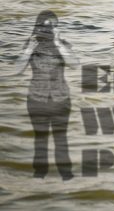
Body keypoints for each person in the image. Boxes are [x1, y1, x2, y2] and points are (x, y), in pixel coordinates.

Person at [14, 11, 77, 180]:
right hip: (36, 98)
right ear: (37, 27)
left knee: (61, 139)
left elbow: (75, 64)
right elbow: (17, 69)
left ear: (57, 28)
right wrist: (28, 49)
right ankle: (39, 177)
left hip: (61, 98)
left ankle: (66, 177)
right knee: (40, 140)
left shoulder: (63, 44)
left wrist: (58, 43)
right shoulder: (30, 45)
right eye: (44, 26)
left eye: (52, 26)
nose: (48, 29)